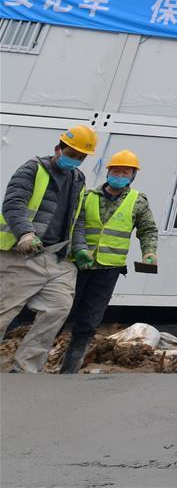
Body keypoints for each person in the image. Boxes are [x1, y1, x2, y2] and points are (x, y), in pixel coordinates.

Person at [0, 126, 97, 372]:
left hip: (57, 258)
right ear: (58, 148)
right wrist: (25, 233)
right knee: (4, 311)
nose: (74, 159)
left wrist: (81, 248)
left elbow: (78, 219)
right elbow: (14, 203)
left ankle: (25, 368)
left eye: (80, 156)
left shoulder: (78, 179)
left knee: (58, 308)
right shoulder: (33, 168)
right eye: (71, 153)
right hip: (23, 254)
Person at [58, 150, 158, 373]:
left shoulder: (137, 202)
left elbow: (148, 229)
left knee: (88, 323)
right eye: (116, 170)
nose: (119, 175)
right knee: (59, 313)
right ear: (108, 171)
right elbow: (76, 225)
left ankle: (69, 370)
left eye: (125, 172)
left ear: (132, 176)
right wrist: (79, 249)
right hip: (77, 266)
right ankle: (36, 366)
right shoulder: (88, 196)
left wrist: (149, 252)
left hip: (107, 271)